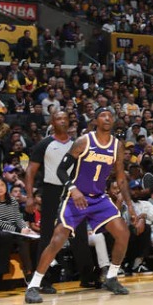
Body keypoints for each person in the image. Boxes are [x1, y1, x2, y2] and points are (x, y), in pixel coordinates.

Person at [24, 108, 135, 302]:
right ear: (95, 120)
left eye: (110, 116)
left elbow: (120, 178)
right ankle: (34, 285)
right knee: (57, 239)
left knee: (123, 233)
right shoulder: (84, 141)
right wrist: (73, 189)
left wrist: (130, 206)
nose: (107, 118)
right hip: (78, 198)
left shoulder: (117, 146)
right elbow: (61, 170)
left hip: (99, 197)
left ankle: (112, 276)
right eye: (103, 115)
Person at [25, 111, 94, 293]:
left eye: (65, 118)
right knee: (47, 235)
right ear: (52, 122)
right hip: (51, 191)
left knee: (79, 233)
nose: (62, 121)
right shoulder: (44, 144)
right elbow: (30, 171)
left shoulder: (76, 144)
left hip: (73, 192)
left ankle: (88, 277)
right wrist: (30, 196)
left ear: (70, 122)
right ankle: (43, 280)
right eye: (58, 119)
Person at [0, 177, 36, 290]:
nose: (0, 188)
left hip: (16, 231)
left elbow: (18, 218)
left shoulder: (12, 201)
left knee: (31, 240)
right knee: (21, 239)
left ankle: (34, 273)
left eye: (2, 185)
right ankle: (28, 273)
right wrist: (19, 230)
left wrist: (26, 228)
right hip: (1, 232)